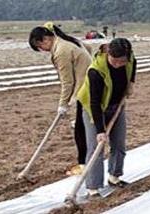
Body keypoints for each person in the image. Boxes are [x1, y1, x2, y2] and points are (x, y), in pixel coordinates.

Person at [29, 22, 92, 175]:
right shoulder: (68, 41)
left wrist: (63, 104)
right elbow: (89, 49)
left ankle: (84, 164)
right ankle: (86, 162)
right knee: (81, 127)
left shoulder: (61, 51)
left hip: (85, 90)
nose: (43, 50)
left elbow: (67, 82)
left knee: (80, 130)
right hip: (87, 85)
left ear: (44, 40)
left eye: (40, 47)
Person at [77, 38, 136, 196]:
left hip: (116, 105)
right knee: (96, 147)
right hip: (93, 108)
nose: (117, 64)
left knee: (119, 143)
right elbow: (94, 103)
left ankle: (114, 177)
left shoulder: (130, 60)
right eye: (114, 61)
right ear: (108, 54)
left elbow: (133, 66)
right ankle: (93, 187)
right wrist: (100, 130)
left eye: (121, 62)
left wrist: (131, 83)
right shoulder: (95, 71)